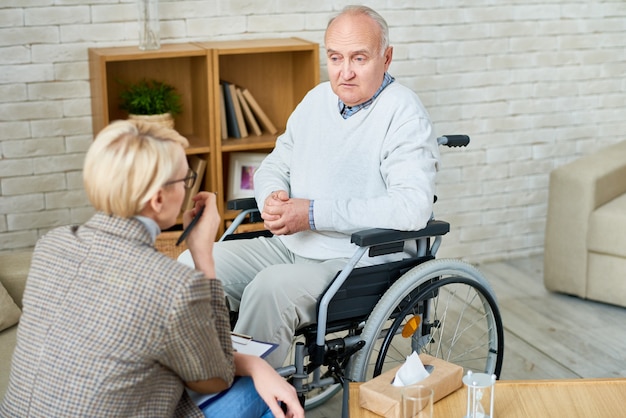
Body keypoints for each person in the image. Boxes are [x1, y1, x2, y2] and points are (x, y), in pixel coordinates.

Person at [181, 5, 441, 369]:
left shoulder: (403, 114)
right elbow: (275, 163)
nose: (344, 72)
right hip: (291, 247)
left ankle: (247, 399)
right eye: (335, 57)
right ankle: (198, 375)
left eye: (359, 58)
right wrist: (272, 196)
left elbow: (411, 207)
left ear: (387, 57)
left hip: (355, 262)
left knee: (269, 290)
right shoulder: (315, 100)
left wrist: (313, 214)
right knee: (190, 265)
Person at [0, 120, 303, 418]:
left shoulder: (53, 244)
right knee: (273, 394)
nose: (187, 189)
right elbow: (214, 376)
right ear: (158, 199)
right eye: (185, 181)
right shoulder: (172, 285)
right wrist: (203, 255)